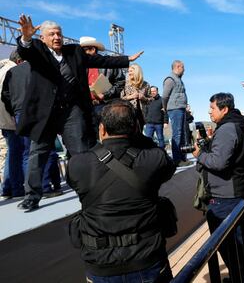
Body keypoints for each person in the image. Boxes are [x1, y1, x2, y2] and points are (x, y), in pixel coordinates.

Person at [15, 14, 143, 211]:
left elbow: (100, 60)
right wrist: (25, 38)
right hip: (45, 113)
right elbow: (25, 50)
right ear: (43, 38)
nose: (57, 37)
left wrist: (127, 60)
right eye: (52, 34)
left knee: (80, 152)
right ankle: (32, 196)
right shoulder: (37, 49)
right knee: (37, 154)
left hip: (71, 112)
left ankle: (89, 190)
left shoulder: (74, 51)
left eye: (59, 33)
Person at [67, 100, 175, 282]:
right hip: (147, 261)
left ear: (101, 129)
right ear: (136, 128)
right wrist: (139, 136)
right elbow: (168, 166)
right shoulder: (154, 158)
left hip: (100, 266)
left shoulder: (78, 164)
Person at [192, 92, 244, 279]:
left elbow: (219, 162)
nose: (209, 112)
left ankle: (240, 277)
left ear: (224, 109)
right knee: (235, 247)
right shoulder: (230, 126)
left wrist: (199, 154)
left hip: (225, 197)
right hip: (229, 193)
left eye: (212, 108)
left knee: (229, 247)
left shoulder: (226, 129)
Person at [2, 51, 62, 198]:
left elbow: (5, 96)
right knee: (44, 148)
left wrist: (14, 111)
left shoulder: (10, 72)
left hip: (16, 116)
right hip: (37, 111)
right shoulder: (38, 68)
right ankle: (45, 187)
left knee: (24, 153)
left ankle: (24, 190)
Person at [80, 36, 127, 124]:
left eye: (83, 50)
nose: (80, 54)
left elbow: (121, 82)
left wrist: (105, 95)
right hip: (85, 107)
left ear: (92, 49)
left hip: (106, 106)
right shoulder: (80, 66)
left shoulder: (108, 63)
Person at [0, 57, 24, 199]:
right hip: (12, 118)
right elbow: (9, 96)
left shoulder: (2, 70)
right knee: (16, 153)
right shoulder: (12, 70)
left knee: (12, 152)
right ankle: (16, 188)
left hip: (3, 119)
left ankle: (8, 188)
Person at [163, 60, 191, 167]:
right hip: (175, 109)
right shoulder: (170, 80)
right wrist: (165, 108)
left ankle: (183, 158)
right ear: (178, 67)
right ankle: (177, 160)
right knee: (177, 134)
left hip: (181, 108)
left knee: (183, 133)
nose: (184, 70)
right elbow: (165, 96)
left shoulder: (179, 79)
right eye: (183, 67)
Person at [121, 63, 151, 132]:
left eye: (130, 71)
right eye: (128, 71)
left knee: (139, 135)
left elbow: (151, 100)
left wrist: (144, 98)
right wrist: (130, 97)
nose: (129, 73)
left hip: (141, 115)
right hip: (128, 113)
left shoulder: (146, 84)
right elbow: (120, 99)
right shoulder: (125, 84)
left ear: (136, 72)